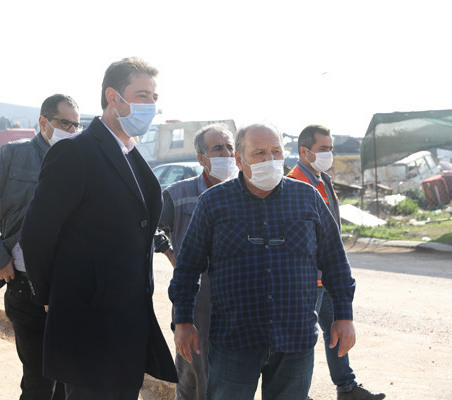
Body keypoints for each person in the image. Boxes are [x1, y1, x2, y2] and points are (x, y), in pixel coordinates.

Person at [20, 57, 177, 400]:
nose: (150, 105)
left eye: (154, 97)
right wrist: (49, 296)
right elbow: (37, 234)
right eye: (142, 95)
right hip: (88, 322)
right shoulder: (75, 152)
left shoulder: (131, 156)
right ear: (112, 97)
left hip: (128, 323)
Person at [169, 123, 357, 400]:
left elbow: (336, 262)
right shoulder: (213, 202)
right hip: (234, 339)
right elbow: (187, 268)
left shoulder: (308, 198)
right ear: (239, 159)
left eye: (275, 151)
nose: (269, 159)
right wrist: (183, 322)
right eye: (259, 153)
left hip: (295, 338)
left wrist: (344, 316)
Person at [0, 94, 82, 400]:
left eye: (76, 125)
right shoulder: (14, 155)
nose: (72, 131)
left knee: (67, 382)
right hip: (26, 288)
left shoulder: (81, 163)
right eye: (65, 123)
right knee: (40, 384)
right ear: (43, 122)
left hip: (69, 290)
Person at [287, 124, 386, 400]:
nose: (329, 154)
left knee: (337, 332)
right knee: (302, 340)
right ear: (304, 151)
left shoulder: (323, 179)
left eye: (331, 148)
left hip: (328, 275)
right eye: (323, 149)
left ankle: (347, 387)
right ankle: (297, 394)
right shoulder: (294, 183)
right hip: (309, 279)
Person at [155, 123, 237, 400]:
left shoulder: (246, 192)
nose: (227, 155)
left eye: (230, 148)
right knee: (195, 370)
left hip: (238, 296)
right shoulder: (178, 194)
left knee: (230, 372)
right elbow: (151, 230)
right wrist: (173, 256)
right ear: (202, 158)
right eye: (218, 149)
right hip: (197, 296)